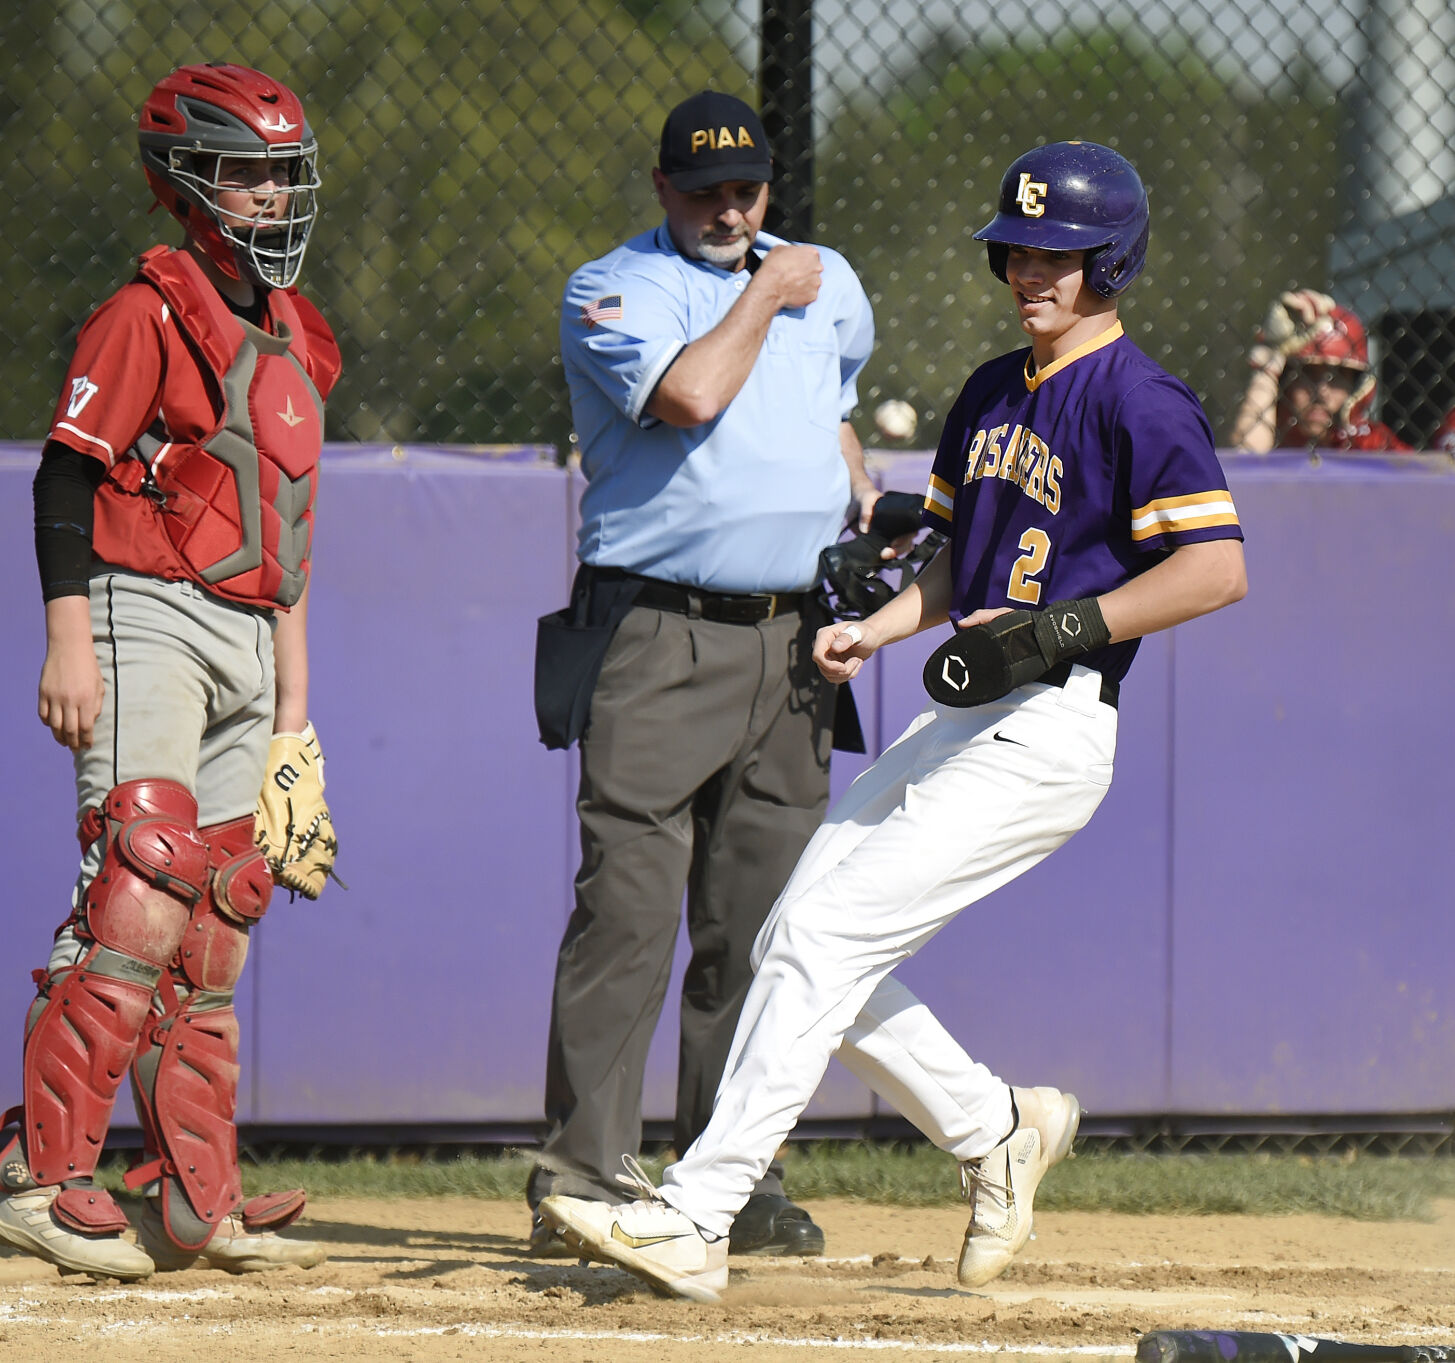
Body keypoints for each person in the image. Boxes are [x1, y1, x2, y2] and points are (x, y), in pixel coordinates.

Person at [539, 140, 1248, 1302]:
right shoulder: (988, 390)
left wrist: (1069, 627)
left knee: (820, 941)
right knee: (792, 935)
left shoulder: (1141, 397)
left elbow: (1214, 567)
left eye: (1058, 254)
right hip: (968, 708)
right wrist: (881, 627)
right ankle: (994, 1128)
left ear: (1109, 259)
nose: (1031, 271)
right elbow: (956, 563)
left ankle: (697, 1210)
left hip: (1052, 729)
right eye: (1018, 249)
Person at [0, 62, 340, 1280]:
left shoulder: (291, 331)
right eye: (245, 171)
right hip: (144, 612)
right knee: (140, 886)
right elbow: (63, 478)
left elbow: (282, 542)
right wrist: (68, 637)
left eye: (282, 170)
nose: (271, 191)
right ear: (185, 182)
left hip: (245, 632)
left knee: (220, 911)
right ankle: (43, 1174)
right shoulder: (147, 309)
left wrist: (296, 721)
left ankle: (196, 1199)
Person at [527, 90, 886, 1259]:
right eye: (705, 188)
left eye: (748, 188)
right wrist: (764, 293)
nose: (731, 208)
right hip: (660, 631)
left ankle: (732, 1175)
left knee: (760, 922)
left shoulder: (822, 282)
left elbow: (833, 409)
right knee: (628, 907)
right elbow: (687, 395)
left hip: (795, 639)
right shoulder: (616, 287)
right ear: (663, 189)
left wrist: (855, 486)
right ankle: (581, 1173)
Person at [1229, 289, 1410, 452]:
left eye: (1337, 378)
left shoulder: (1367, 443)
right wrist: (1269, 361)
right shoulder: (1271, 435)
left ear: (1355, 387)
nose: (1321, 393)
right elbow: (1246, 459)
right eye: (1308, 375)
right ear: (1284, 379)